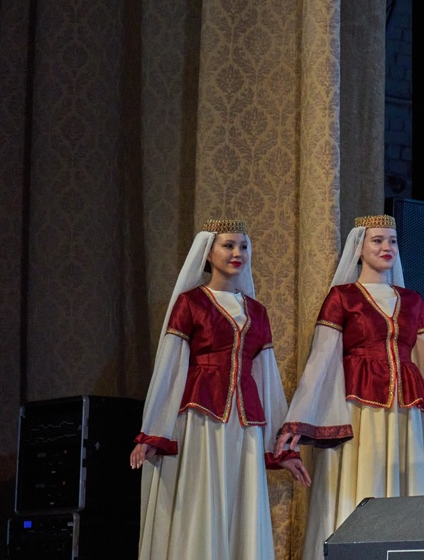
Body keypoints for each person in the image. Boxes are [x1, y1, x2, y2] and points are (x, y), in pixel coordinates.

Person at [276, 215, 424, 560]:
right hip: (358, 410)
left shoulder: (411, 302)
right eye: (377, 240)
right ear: (359, 249)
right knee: (359, 481)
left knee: (403, 490)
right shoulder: (343, 298)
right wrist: (298, 419)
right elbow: (322, 359)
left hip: (405, 415)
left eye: (392, 241)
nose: (386, 247)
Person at [130, 219, 310, 560]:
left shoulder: (257, 311)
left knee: (241, 502)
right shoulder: (191, 303)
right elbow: (171, 368)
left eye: (243, 246)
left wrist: (282, 446)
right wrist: (153, 432)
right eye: (228, 245)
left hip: (244, 426)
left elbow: (266, 377)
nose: (237, 253)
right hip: (201, 420)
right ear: (208, 253)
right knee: (201, 499)